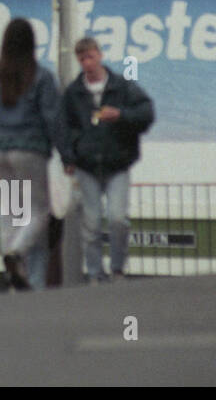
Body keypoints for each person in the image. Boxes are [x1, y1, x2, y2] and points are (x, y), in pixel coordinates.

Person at [0, 18, 64, 292]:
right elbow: (53, 119)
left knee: (8, 219)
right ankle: (17, 255)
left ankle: (15, 279)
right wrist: (67, 155)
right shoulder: (42, 77)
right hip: (29, 152)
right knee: (39, 213)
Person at [61, 37, 155, 283]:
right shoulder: (73, 92)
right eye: (82, 59)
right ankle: (94, 273)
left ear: (100, 56)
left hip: (117, 163)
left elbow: (146, 112)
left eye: (90, 57)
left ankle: (117, 269)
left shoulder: (122, 86)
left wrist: (121, 115)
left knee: (117, 219)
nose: (87, 63)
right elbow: (64, 128)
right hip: (86, 166)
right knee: (90, 225)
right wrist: (69, 155)